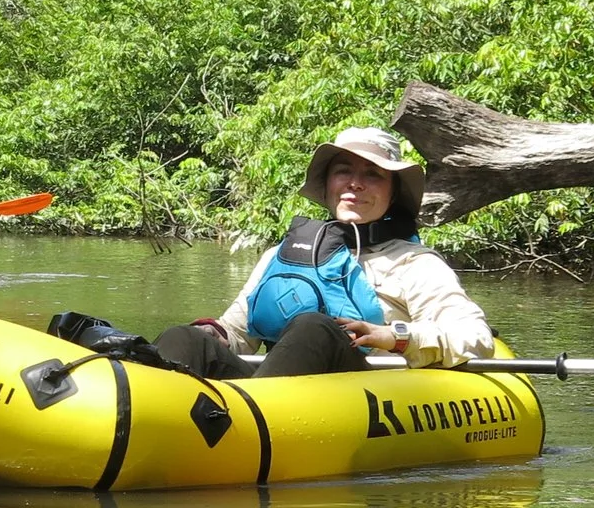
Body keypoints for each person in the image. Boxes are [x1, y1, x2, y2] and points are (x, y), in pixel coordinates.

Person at [149, 126, 494, 380]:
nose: (354, 183)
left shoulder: (414, 263)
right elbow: (239, 334)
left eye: (372, 175)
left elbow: (475, 338)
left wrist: (395, 337)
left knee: (315, 328)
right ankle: (154, 418)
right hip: (275, 393)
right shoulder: (282, 254)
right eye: (344, 171)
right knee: (185, 337)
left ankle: (249, 422)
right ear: (328, 184)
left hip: (362, 392)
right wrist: (216, 334)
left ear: (393, 194)